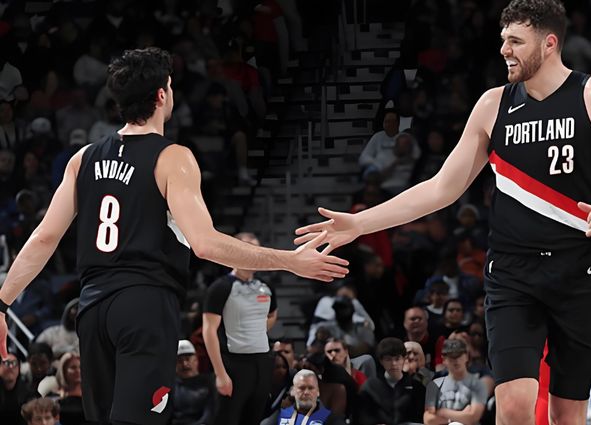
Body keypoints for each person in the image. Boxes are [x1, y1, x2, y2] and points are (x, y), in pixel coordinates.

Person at [294, 0, 591, 423]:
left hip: (580, 270)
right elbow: (442, 187)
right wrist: (360, 223)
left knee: (567, 413)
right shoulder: (493, 105)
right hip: (513, 273)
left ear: (549, 44)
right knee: (514, 403)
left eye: (516, 41)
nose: (504, 50)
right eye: (503, 40)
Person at [0, 46, 349, 425]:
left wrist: (2, 304)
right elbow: (206, 243)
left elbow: (44, 238)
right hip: (144, 305)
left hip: (93, 308)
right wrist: (290, 261)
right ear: (162, 94)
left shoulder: (82, 158)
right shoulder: (172, 157)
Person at [202, 232, 279, 425]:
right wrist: (220, 374)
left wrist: (254, 330)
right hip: (233, 365)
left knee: (255, 419)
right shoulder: (220, 287)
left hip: (262, 362)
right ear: (234, 250)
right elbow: (209, 331)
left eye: (256, 249)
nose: (253, 253)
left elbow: (272, 314)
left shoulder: (266, 286)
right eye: (247, 248)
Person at [262, 369, 347, 425]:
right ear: (292, 391)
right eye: (301, 388)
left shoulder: (331, 420)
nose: (306, 392)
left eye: (311, 388)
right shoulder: (279, 417)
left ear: (318, 392)